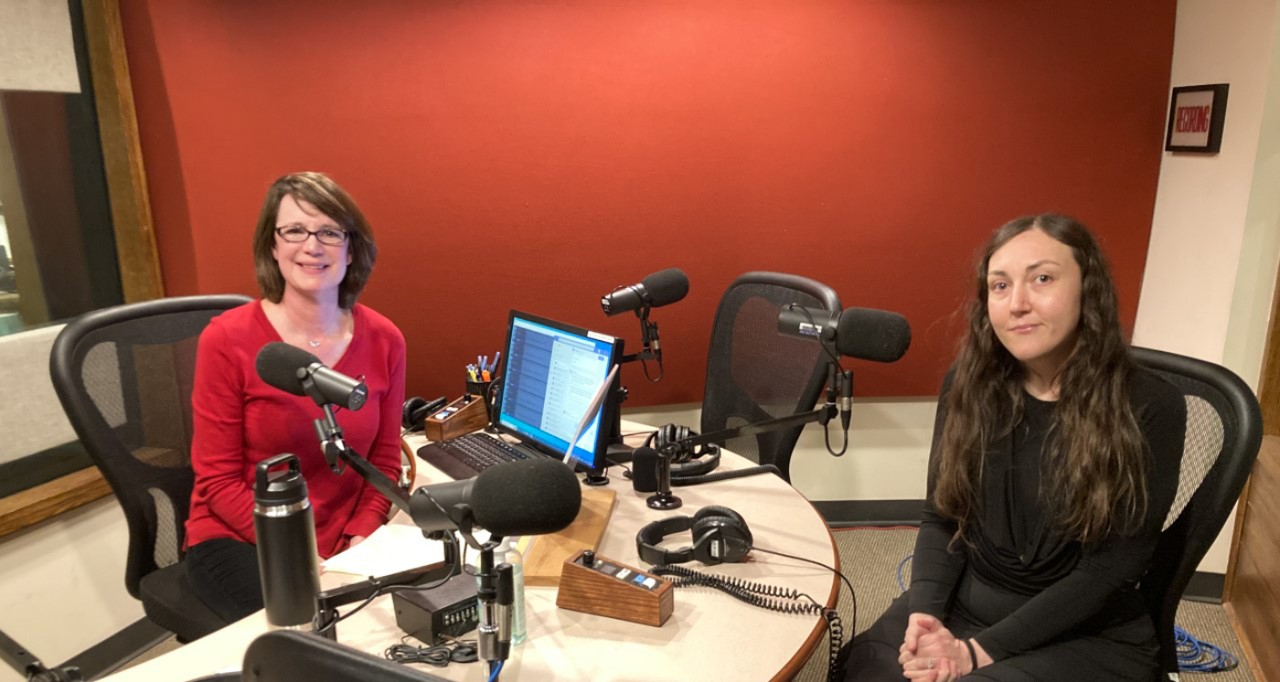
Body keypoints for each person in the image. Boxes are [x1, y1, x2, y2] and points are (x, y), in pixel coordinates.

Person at [843, 214, 1185, 681]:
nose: (1017, 303)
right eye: (999, 286)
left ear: (1089, 289)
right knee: (865, 669)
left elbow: (1109, 573)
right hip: (966, 605)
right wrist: (926, 620)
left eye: (1042, 278)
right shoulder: (968, 385)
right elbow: (942, 518)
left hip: (1081, 631)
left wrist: (977, 653)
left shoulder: (1150, 405)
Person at [183, 172, 407, 622]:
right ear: (273, 245)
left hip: (347, 539)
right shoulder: (227, 339)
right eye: (294, 231)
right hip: (243, 534)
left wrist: (362, 535)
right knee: (312, 635)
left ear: (350, 247)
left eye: (329, 232)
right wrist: (302, 552)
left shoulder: (384, 339)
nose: (312, 245)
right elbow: (217, 481)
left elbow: (383, 463)